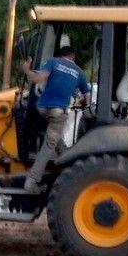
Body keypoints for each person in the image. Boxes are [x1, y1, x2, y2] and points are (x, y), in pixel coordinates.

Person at [22, 46, 90, 191]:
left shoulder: (53, 62)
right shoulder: (79, 72)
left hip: (42, 108)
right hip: (58, 112)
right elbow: (87, 98)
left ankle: (68, 161)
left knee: (53, 135)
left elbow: (38, 78)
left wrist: (27, 70)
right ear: (73, 57)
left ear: (61, 55)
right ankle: (32, 181)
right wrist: (82, 102)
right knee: (49, 145)